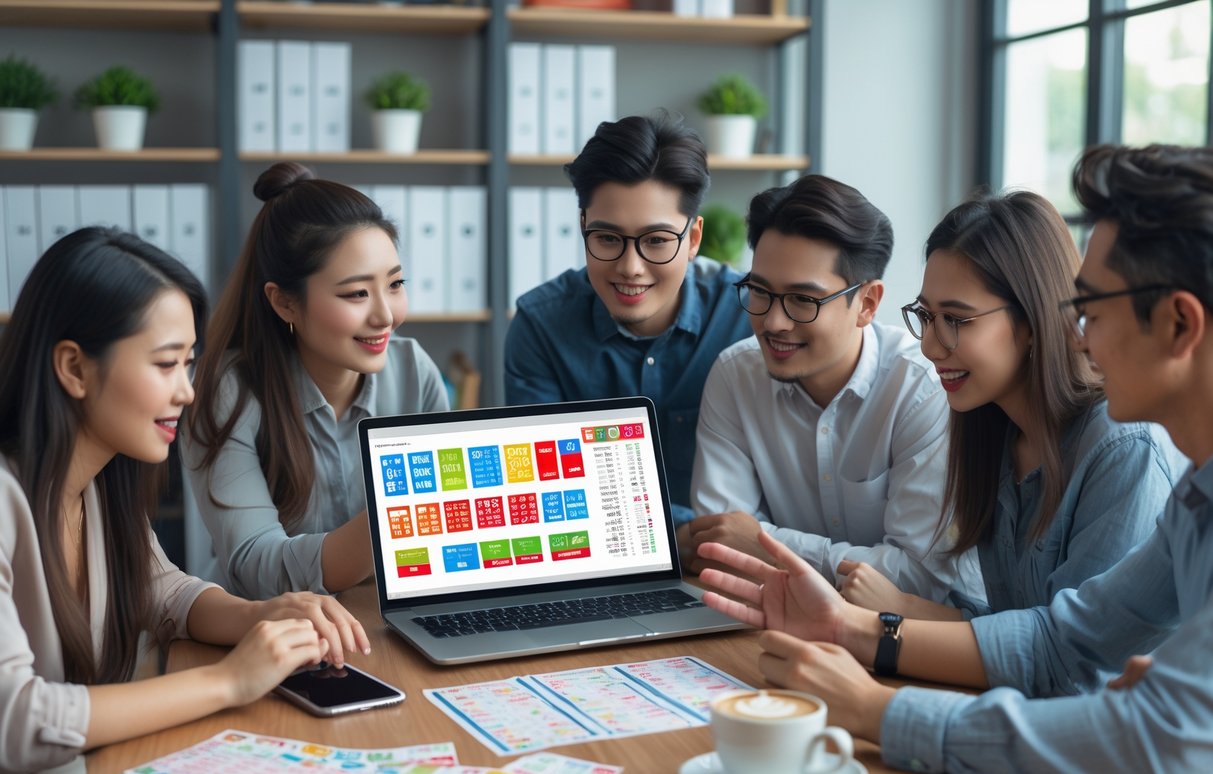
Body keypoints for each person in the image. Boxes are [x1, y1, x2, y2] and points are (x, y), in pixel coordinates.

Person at [698, 144, 1213, 774]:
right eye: (928, 317)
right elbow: (1058, 641)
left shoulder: (1131, 450)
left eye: (1091, 310)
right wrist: (851, 628)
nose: (1080, 336)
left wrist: (877, 710)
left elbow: (1152, 744)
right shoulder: (1189, 491)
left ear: (1178, 323)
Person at [0, 227, 369, 774]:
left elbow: (165, 591)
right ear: (74, 367)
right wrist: (229, 682)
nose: (189, 391)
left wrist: (260, 615)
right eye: (166, 364)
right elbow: (17, 720)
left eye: (190, 363)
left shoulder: (98, 483)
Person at [837, 190, 1183, 619]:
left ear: (1033, 322)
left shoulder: (1122, 446)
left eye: (956, 320)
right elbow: (1013, 630)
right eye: (926, 316)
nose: (929, 346)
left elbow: (1073, 650)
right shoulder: (993, 429)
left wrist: (902, 615)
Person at [687, 174, 980, 606]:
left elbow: (919, 578)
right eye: (760, 291)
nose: (773, 322)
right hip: (777, 619)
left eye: (803, 300)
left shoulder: (920, 388)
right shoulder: (735, 375)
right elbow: (723, 545)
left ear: (867, 303)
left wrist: (766, 544)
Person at [183, 162, 449, 600]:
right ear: (285, 302)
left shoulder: (412, 369)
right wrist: (398, 516)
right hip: (269, 625)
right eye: (357, 293)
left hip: (382, 616)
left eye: (395, 284)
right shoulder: (228, 392)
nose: (386, 316)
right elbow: (255, 566)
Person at [503, 113, 751, 534]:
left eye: (656, 241)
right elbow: (548, 491)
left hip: (733, 559)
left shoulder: (747, 315)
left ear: (693, 239)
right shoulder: (540, 327)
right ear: (584, 227)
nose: (630, 267)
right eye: (608, 239)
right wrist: (681, 534)